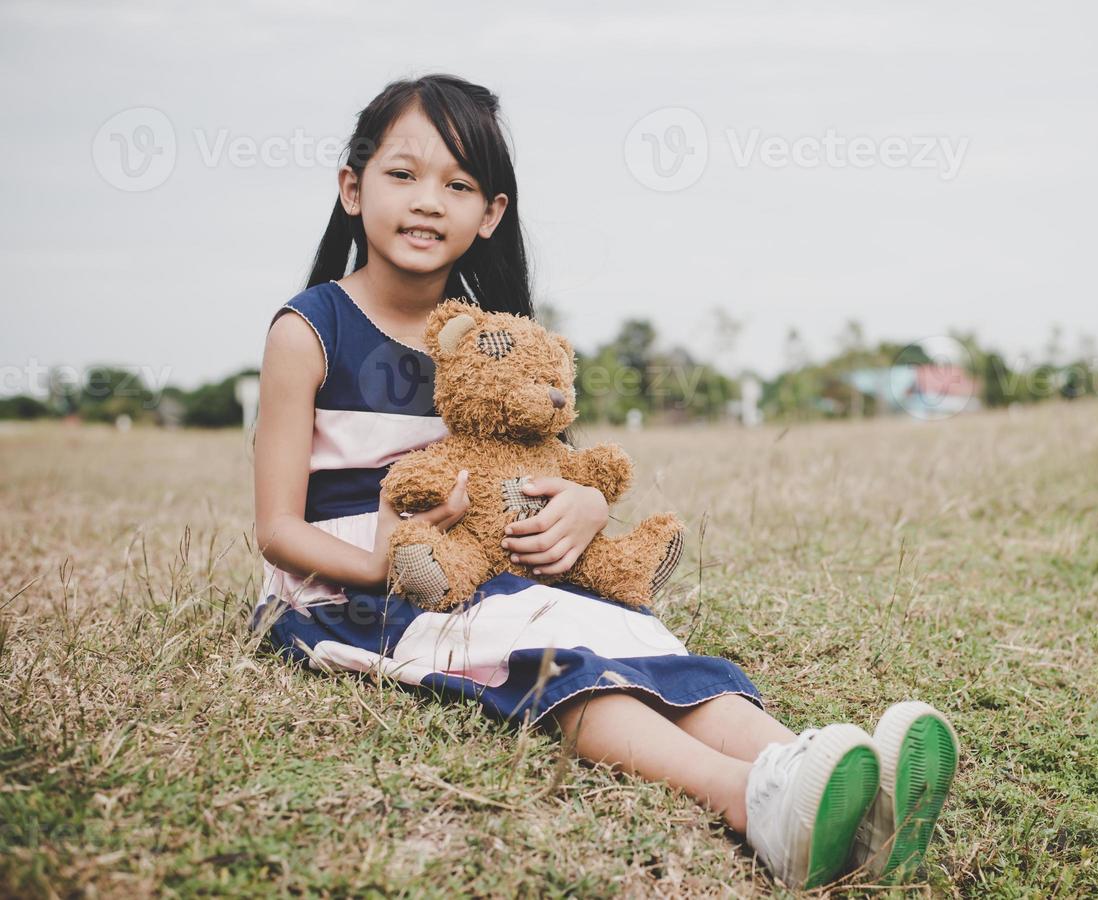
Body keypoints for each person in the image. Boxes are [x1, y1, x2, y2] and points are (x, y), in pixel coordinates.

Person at [250, 73, 958, 889]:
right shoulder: (310, 330)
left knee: (641, 641)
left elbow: (541, 461)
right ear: (352, 188)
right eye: (401, 174)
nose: (427, 201)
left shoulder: (495, 341)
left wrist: (584, 505)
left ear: (490, 216)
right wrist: (382, 562)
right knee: (559, 660)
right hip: (363, 587)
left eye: (459, 184)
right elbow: (276, 530)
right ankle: (752, 803)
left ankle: (834, 785)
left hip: (494, 569)